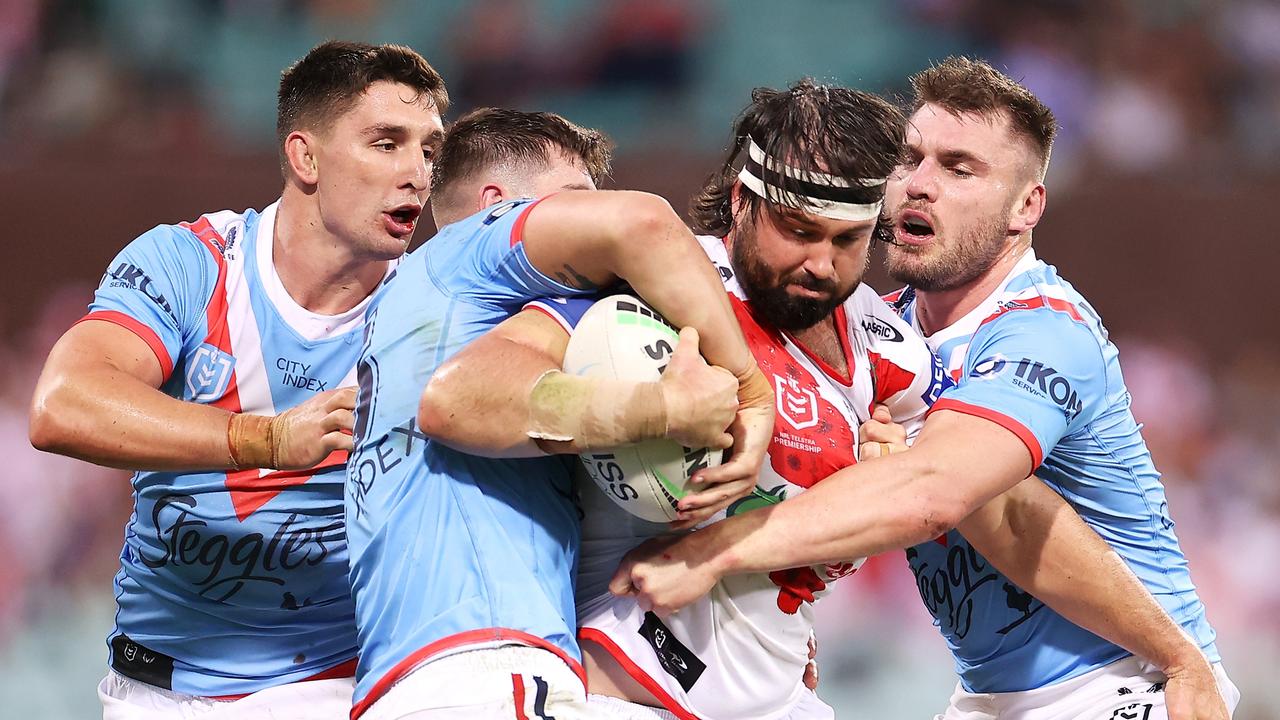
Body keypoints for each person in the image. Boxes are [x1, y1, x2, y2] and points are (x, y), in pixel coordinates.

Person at [418, 81, 1226, 720]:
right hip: (627, 692)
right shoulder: (654, 295)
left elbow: (996, 509)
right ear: (741, 203)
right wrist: (646, 412)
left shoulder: (890, 348)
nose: (820, 264)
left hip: (786, 700)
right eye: (798, 231)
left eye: (847, 241)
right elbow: (458, 398)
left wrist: (1178, 650)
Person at [27, 41, 447, 718]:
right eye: (385, 142)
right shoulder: (191, 264)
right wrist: (268, 440)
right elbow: (63, 405)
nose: (417, 174)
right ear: (304, 156)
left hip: (330, 686)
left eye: (429, 150)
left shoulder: (432, 312)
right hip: (154, 682)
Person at [345, 107, 775, 720]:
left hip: (409, 677)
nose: (588, 219)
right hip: (490, 670)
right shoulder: (471, 248)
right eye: (575, 199)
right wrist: (747, 392)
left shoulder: (410, 314)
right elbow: (643, 223)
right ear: (499, 205)